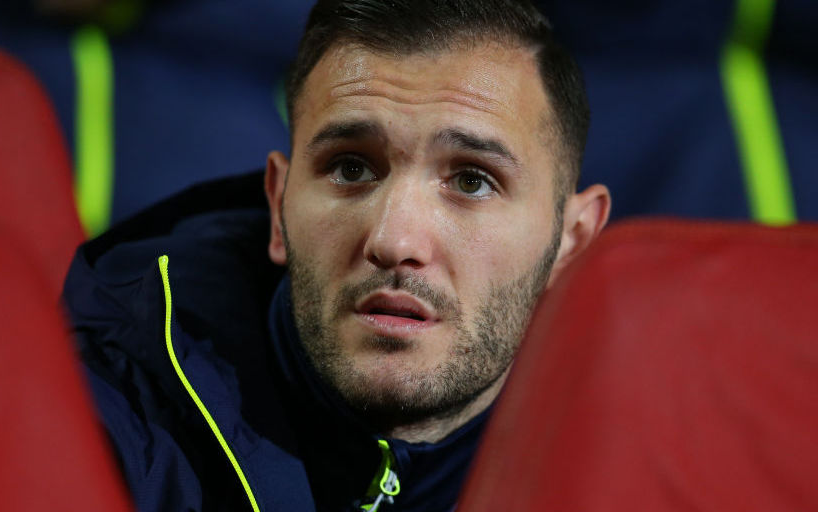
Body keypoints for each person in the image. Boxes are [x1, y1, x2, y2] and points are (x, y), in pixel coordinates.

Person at [62, 0, 611, 510]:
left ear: (572, 242)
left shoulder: (631, 461)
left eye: (471, 181)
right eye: (351, 168)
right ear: (278, 207)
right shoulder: (109, 425)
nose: (394, 241)